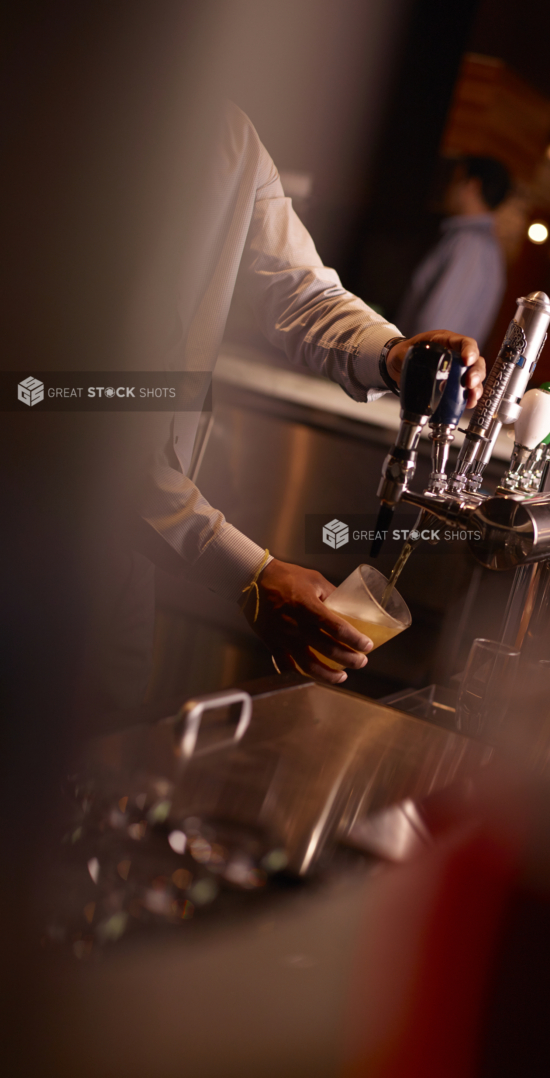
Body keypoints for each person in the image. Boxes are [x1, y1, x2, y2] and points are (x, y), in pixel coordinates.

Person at [130, 103, 485, 697]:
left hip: (127, 553)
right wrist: (251, 574)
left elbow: (298, 291)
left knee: (98, 735)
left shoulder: (228, 133)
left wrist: (396, 354)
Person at [396, 155, 510, 348]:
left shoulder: (470, 245)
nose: (447, 188)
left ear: (472, 186)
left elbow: (437, 329)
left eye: (455, 180)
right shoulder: (477, 244)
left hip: (420, 368)